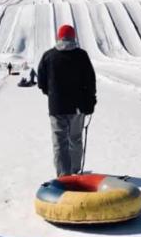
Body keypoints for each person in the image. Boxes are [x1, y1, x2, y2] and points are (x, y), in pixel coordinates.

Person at [37, 25, 96, 177]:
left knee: (59, 142)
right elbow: (90, 81)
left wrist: (51, 94)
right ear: (74, 37)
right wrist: (90, 102)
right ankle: (75, 170)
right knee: (75, 139)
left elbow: (41, 82)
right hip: (78, 107)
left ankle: (63, 175)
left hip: (56, 108)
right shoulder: (82, 55)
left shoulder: (48, 56)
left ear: (59, 37)